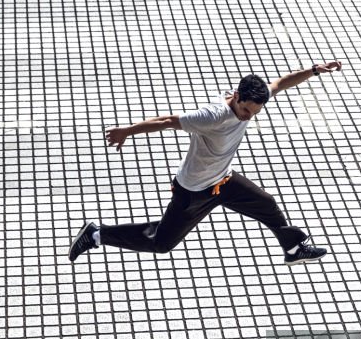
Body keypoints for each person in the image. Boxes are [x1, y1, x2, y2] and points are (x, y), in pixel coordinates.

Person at [69, 61, 343, 265]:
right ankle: (97, 234)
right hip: (194, 191)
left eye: (255, 113)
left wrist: (315, 70)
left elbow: (279, 84)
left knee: (267, 204)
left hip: (224, 181)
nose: (248, 117)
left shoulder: (255, 98)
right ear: (236, 95)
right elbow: (166, 121)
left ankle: (294, 250)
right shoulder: (211, 116)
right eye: (245, 110)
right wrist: (126, 131)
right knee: (161, 242)